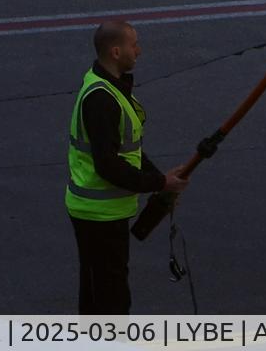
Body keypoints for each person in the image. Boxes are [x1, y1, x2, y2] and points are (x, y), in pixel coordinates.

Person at [65, 21, 188, 314]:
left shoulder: (107, 86)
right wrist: (160, 183)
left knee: (100, 288)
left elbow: (127, 150)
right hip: (98, 214)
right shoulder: (102, 99)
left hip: (101, 211)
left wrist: (160, 179)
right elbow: (108, 165)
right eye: (134, 45)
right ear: (116, 52)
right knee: (110, 295)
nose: (139, 51)